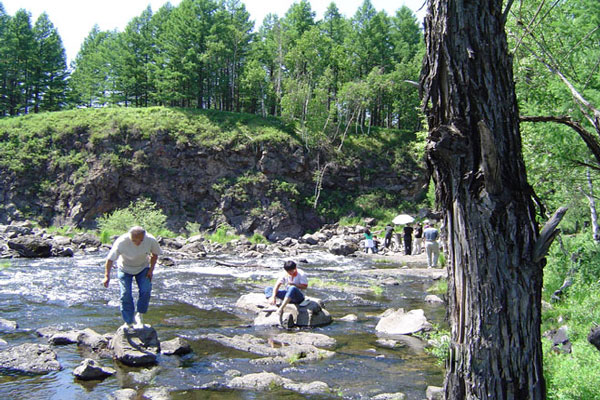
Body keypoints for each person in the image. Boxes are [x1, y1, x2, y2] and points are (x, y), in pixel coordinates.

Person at [103, 226, 161, 329]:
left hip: (143, 267)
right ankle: (128, 321)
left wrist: (151, 270)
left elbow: (155, 254)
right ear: (130, 236)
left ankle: (140, 314)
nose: (138, 242)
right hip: (124, 268)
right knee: (125, 294)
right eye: (134, 240)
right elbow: (110, 259)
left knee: (146, 290)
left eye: (140, 240)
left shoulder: (150, 239)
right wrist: (107, 276)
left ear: (144, 236)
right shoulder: (121, 241)